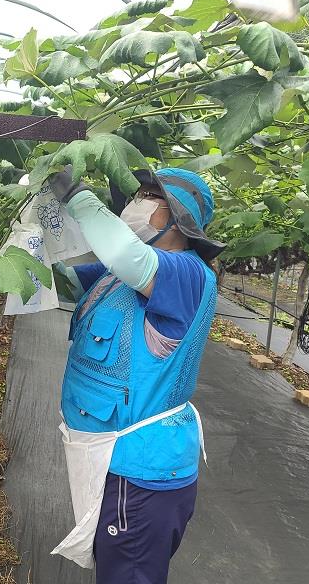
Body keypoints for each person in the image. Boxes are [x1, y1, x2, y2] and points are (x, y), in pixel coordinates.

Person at [48, 167, 225, 584]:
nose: (134, 203)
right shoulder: (116, 279)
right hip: (113, 458)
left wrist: (78, 195)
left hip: (142, 470)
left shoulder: (188, 274)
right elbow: (56, 280)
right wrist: (30, 237)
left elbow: (127, 256)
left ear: (178, 218)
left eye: (148, 195)